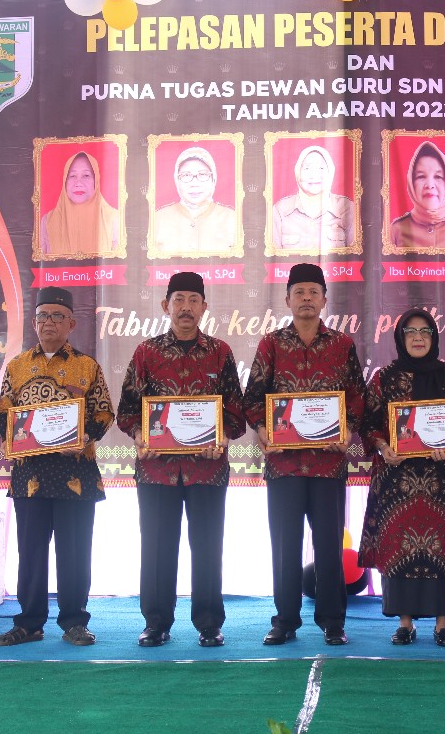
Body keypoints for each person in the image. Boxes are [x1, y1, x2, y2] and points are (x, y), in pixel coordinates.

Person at [115, 272, 246, 648]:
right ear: (165, 306)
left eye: (193, 300)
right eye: (179, 300)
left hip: (208, 468)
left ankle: (209, 623)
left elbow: (236, 412)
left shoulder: (220, 352)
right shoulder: (146, 352)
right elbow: (127, 411)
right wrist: (141, 436)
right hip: (157, 469)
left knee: (208, 546)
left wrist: (221, 437)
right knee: (157, 547)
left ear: (204, 306)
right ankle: (156, 623)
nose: (186, 307)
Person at [242, 263, 366, 646]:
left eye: (314, 292)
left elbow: (357, 397)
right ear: (288, 300)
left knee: (329, 544)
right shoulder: (271, 344)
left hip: (329, 463)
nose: (307, 298)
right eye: (300, 292)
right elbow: (253, 398)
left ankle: (333, 621)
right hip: (284, 464)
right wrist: (263, 430)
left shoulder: (342, 345)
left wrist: (347, 430)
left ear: (325, 300)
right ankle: (285, 620)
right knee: (285, 545)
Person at [0, 287, 115, 648]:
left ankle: (75, 621)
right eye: (43, 316)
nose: (49, 322)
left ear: (71, 323)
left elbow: (104, 412)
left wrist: (84, 437)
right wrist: (13, 439)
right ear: (34, 323)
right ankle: (29, 622)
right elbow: (2, 415)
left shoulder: (87, 366)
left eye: (57, 316)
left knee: (74, 552)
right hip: (30, 476)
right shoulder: (16, 367)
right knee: (30, 553)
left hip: (76, 473)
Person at [359, 310, 445, 647]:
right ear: (400, 337)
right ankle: (404, 622)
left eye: (425, 331)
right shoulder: (384, 378)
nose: (418, 337)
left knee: (439, 549)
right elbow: (368, 423)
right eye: (411, 331)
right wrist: (382, 446)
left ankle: (442, 624)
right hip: (397, 480)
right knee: (399, 547)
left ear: (434, 337)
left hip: (440, 481)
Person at [150, 146, 239, 255]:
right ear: (177, 181)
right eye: (186, 175)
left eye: (203, 174)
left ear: (214, 179)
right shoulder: (158, 219)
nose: (194, 183)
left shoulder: (232, 218)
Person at [271, 145, 356, 253]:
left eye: (321, 168)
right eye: (307, 168)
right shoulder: (280, 210)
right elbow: (273, 258)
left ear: (330, 172)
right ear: (298, 172)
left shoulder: (346, 207)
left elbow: (355, 258)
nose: (314, 174)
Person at [389, 141, 445, 249]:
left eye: (438, 177)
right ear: (411, 183)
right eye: (421, 176)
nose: (430, 185)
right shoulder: (397, 229)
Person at [39, 151, 121, 257]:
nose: (78, 183)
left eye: (86, 175)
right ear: (65, 181)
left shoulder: (114, 219)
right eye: (72, 176)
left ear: (96, 181)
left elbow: (117, 263)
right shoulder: (47, 221)